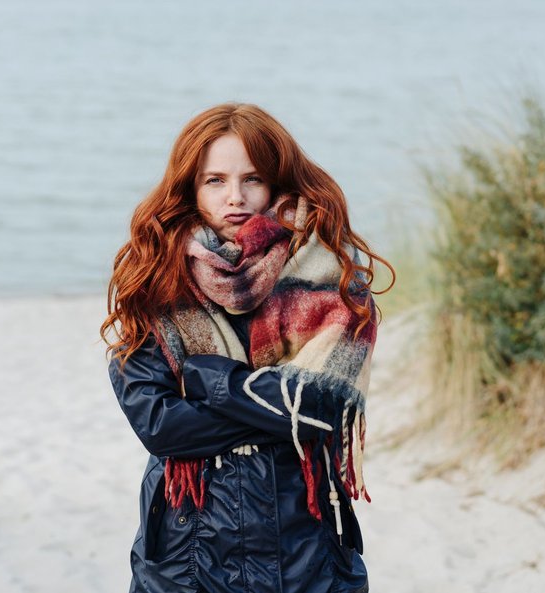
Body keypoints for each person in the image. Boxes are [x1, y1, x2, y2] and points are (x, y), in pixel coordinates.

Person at [102, 103, 392, 593]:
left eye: (252, 179)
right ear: (190, 188)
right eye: (214, 180)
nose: (235, 198)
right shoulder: (155, 280)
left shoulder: (332, 280)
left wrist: (209, 380)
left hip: (308, 553)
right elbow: (162, 426)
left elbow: (323, 410)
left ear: (278, 183)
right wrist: (278, 412)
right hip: (188, 555)